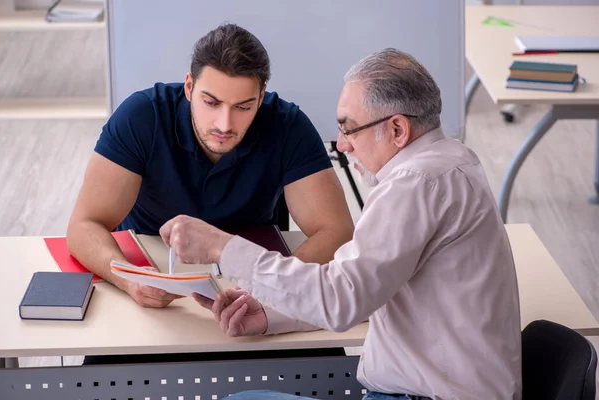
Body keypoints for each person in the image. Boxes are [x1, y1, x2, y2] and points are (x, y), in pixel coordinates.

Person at [160, 48, 523, 400]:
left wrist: (221, 247)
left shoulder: (415, 183)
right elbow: (360, 289)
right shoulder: (452, 160)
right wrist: (269, 313)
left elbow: (340, 299)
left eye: (350, 130)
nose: (343, 146)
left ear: (398, 129)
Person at [68, 23, 354, 365]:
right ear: (189, 87)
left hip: (249, 281)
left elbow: (337, 231)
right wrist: (130, 280)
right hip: (155, 280)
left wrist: (271, 287)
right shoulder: (142, 115)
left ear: (261, 97)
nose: (224, 124)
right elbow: (84, 224)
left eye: (243, 107)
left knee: (328, 367)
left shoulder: (287, 124)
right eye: (211, 102)